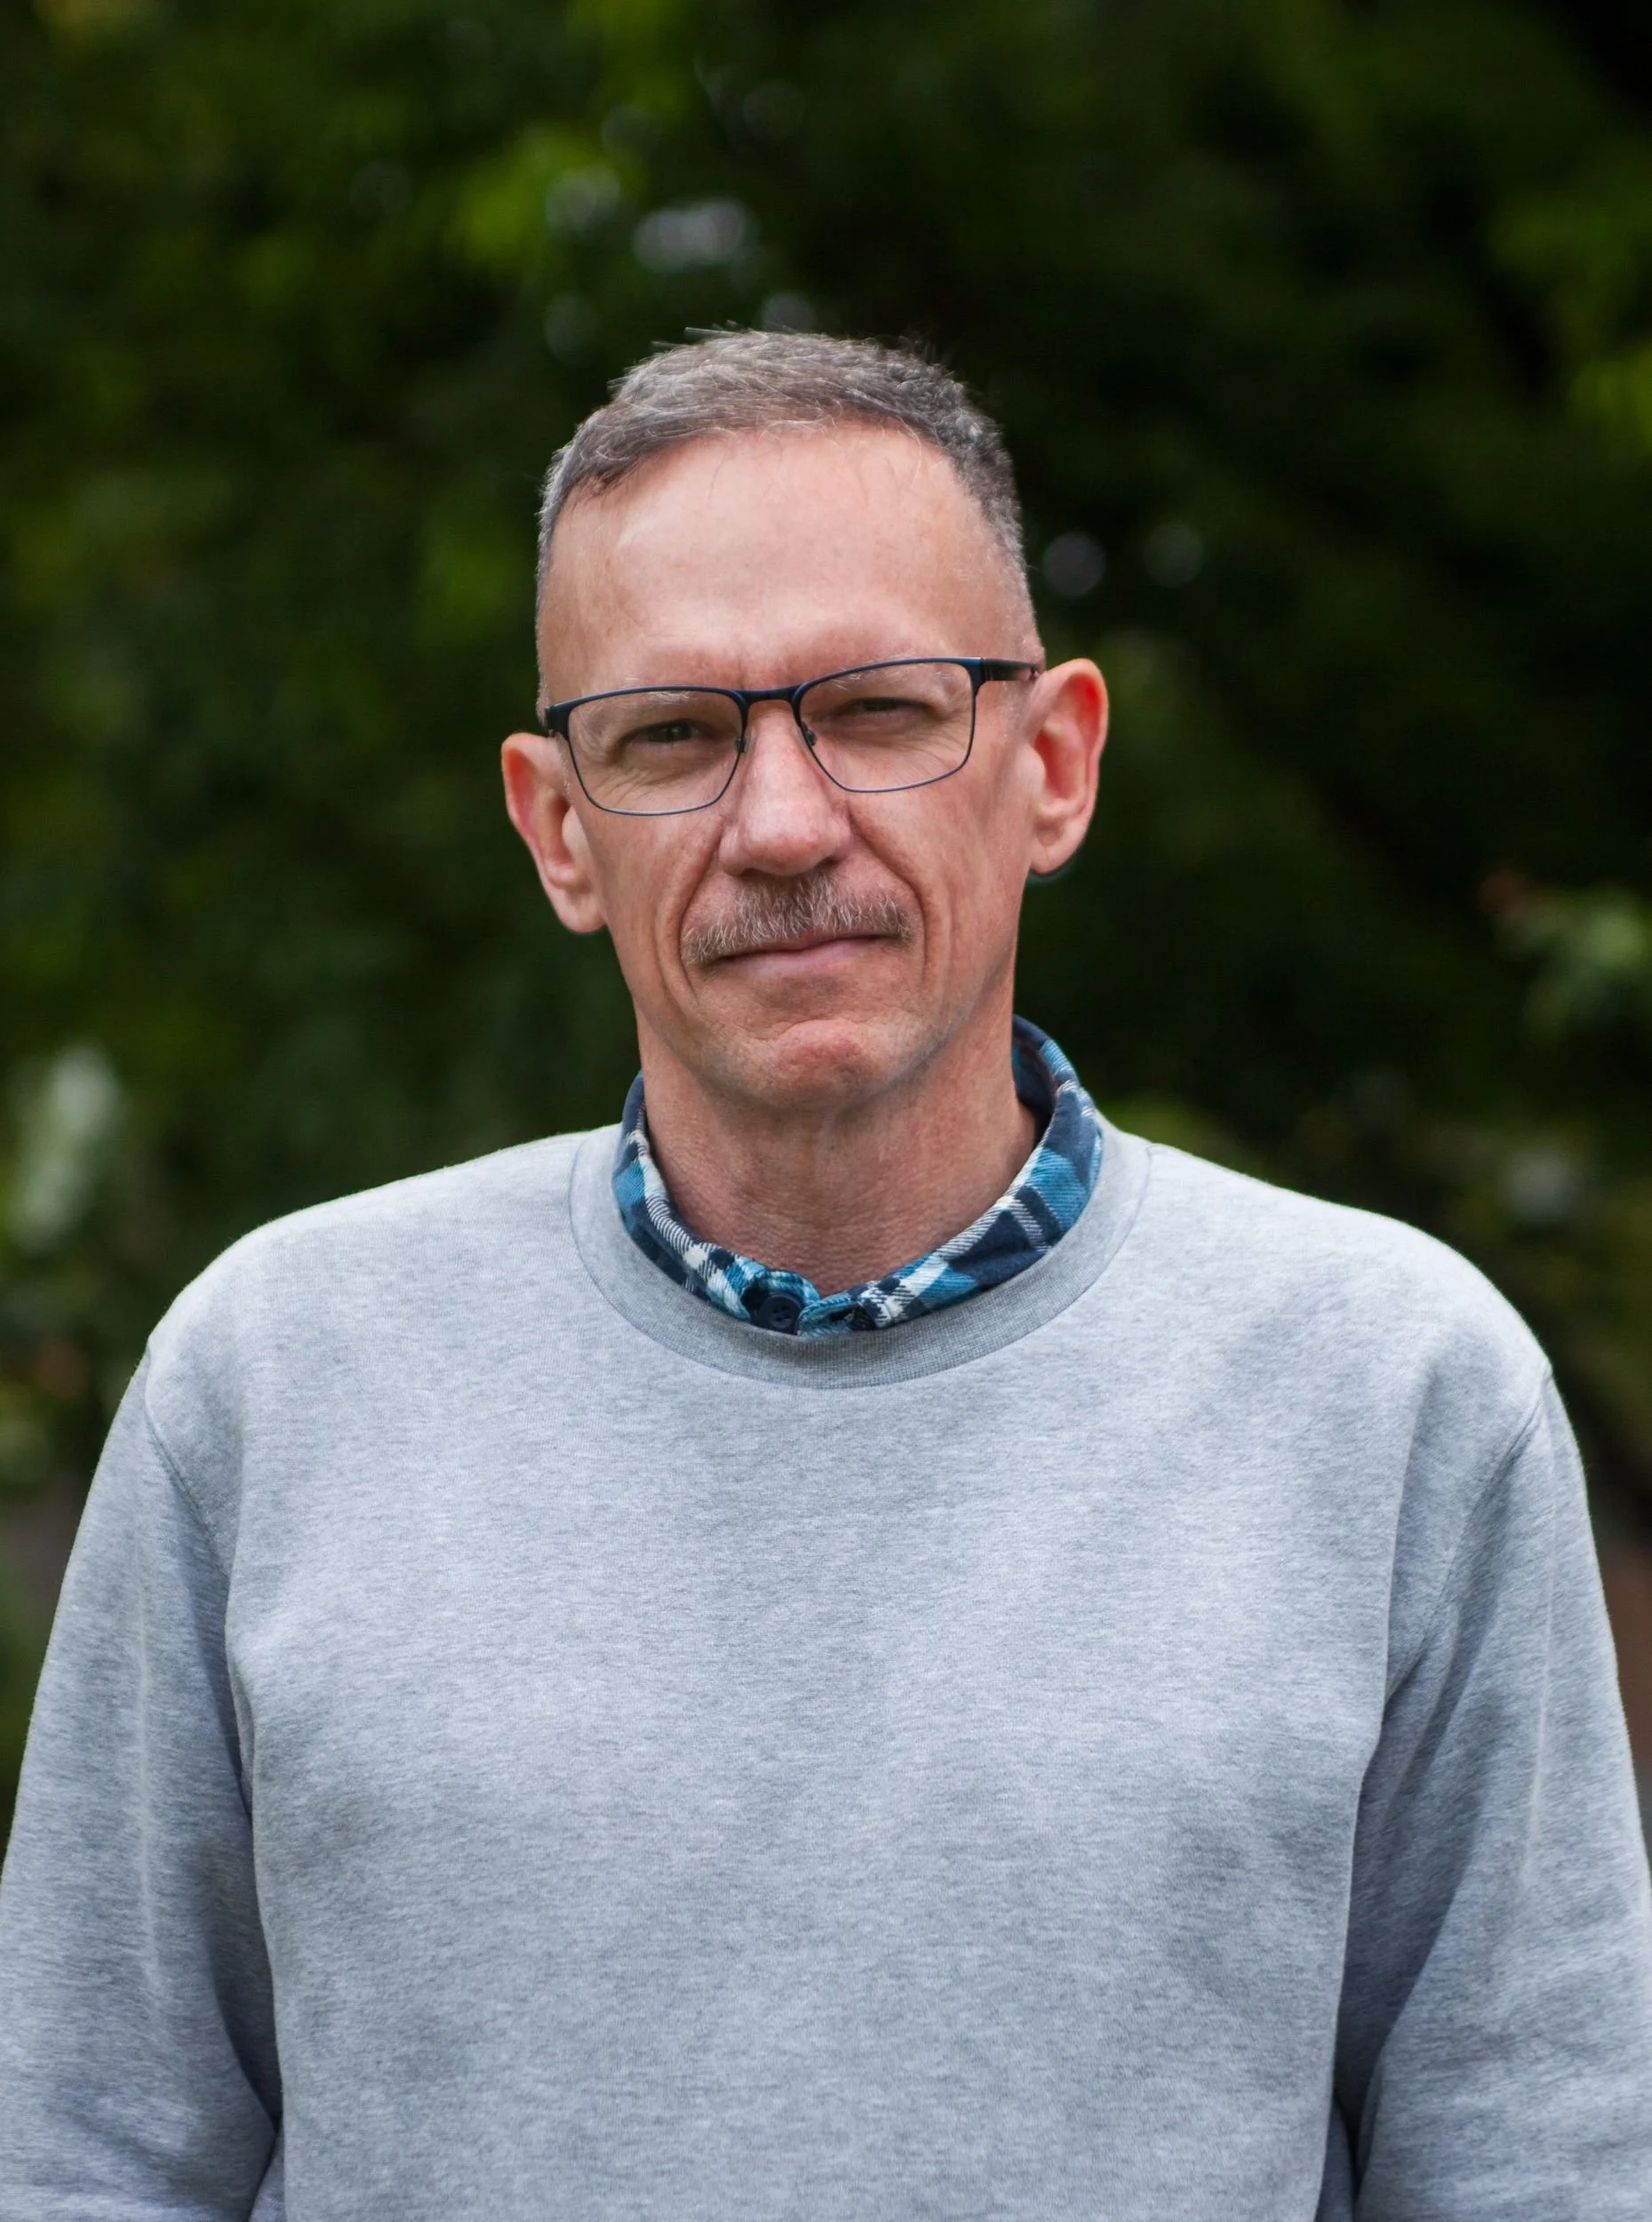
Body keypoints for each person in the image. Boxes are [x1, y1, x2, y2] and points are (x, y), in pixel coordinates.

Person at [0, 332, 1648, 2222]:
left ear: (1051, 765)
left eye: (875, 709)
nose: (781, 825)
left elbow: (1540, 2167)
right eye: (672, 735)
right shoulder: (274, 1381)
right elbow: (85, 2157)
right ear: (557, 825)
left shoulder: (1394, 1391)